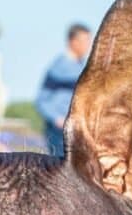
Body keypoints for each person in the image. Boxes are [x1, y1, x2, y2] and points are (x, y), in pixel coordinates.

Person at [35, 23, 91, 157]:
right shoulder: (60, 67)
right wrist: (57, 119)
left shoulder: (81, 66)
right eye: (85, 40)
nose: (89, 45)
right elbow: (41, 99)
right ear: (73, 41)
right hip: (59, 131)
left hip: (77, 128)